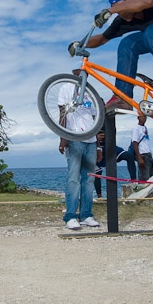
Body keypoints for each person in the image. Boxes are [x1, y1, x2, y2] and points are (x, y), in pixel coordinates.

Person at [53, 75, 99, 229]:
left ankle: (86, 214)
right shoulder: (66, 86)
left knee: (89, 180)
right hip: (74, 137)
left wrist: (98, 145)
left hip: (91, 140)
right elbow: (62, 112)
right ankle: (70, 216)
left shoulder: (89, 91)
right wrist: (62, 137)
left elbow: (95, 117)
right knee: (74, 179)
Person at [131, 115, 153, 181]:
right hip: (142, 154)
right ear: (138, 118)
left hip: (148, 153)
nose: (144, 118)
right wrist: (139, 157)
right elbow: (135, 143)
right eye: (142, 117)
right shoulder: (136, 128)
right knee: (144, 177)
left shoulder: (145, 128)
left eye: (145, 117)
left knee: (151, 176)